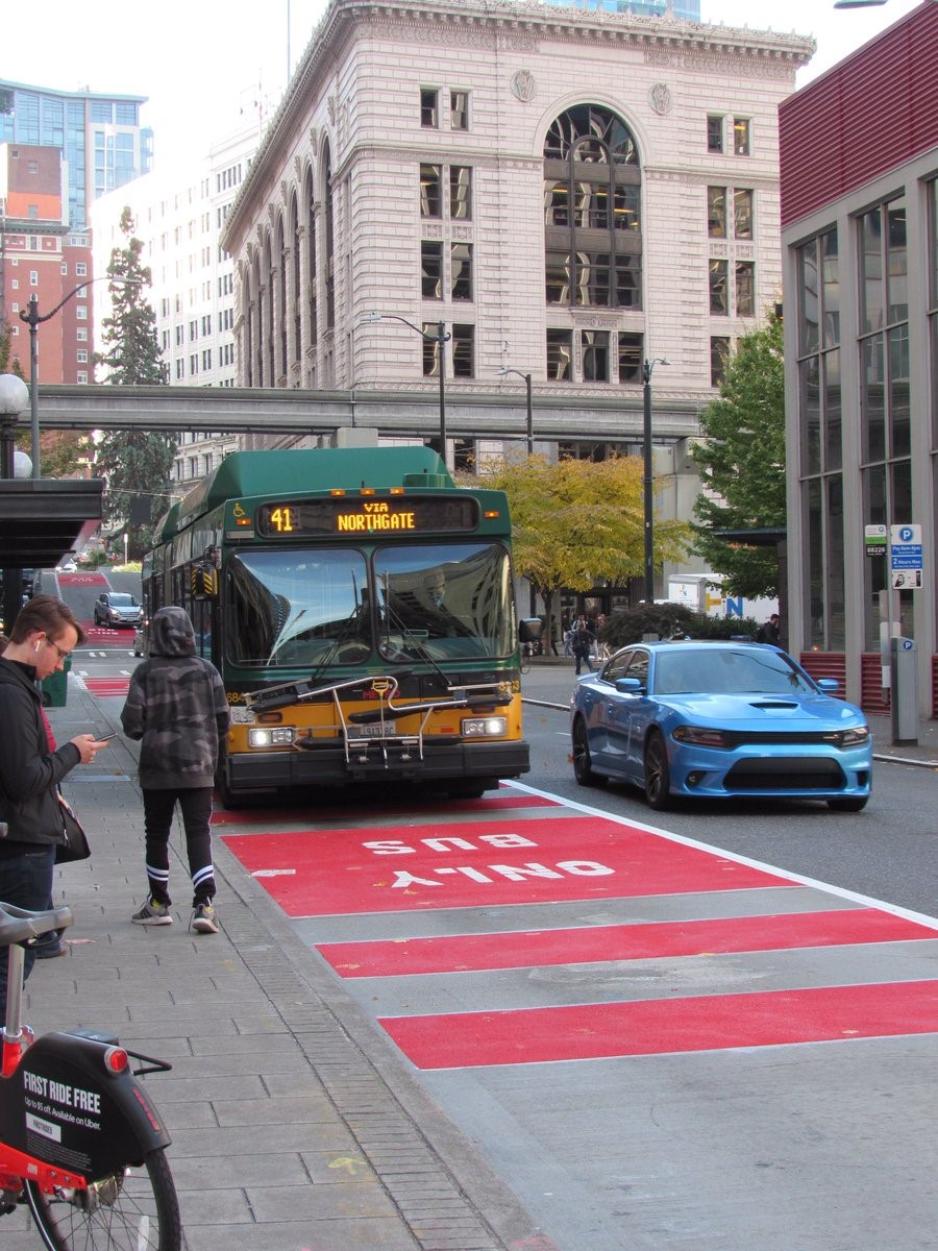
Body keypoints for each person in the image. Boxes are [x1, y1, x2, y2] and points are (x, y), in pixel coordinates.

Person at [0, 597, 108, 1015]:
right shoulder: (10, 693)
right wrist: (71, 754)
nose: (61, 665)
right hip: (21, 844)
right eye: (61, 653)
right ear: (37, 639)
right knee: (12, 965)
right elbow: (24, 778)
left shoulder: (15, 686)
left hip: (22, 836)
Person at [121, 606, 230, 934]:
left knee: (156, 833)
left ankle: (159, 904)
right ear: (189, 633)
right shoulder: (207, 671)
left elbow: (131, 724)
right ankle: (204, 905)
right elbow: (224, 719)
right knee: (198, 832)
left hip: (158, 769)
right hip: (199, 767)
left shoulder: (145, 672)